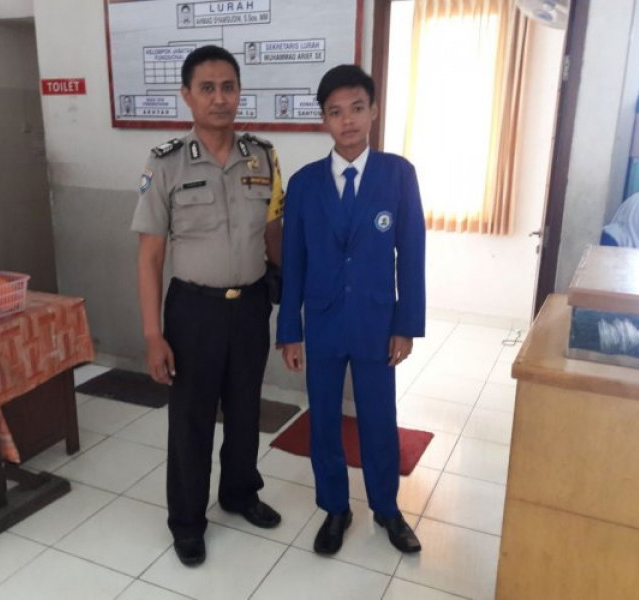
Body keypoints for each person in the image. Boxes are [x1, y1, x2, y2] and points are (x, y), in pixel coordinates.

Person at [131, 45, 284, 567]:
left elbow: (273, 235)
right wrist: (152, 334)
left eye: (228, 87)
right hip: (193, 311)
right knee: (191, 420)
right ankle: (187, 522)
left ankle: (240, 493)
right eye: (208, 88)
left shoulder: (263, 156)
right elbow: (150, 257)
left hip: (251, 307)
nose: (220, 98)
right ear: (187, 95)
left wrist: (291, 300)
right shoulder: (166, 163)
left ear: (239, 92)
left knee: (245, 410)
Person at [276, 65, 426, 555]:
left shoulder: (398, 175)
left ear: (373, 111)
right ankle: (335, 508)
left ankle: (387, 508)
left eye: (357, 108)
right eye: (336, 112)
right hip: (321, 320)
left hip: (376, 321)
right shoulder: (304, 183)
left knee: (379, 417)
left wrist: (406, 325)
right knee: (322, 418)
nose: (348, 121)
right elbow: (293, 262)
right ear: (323, 119)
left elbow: (412, 254)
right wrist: (289, 330)